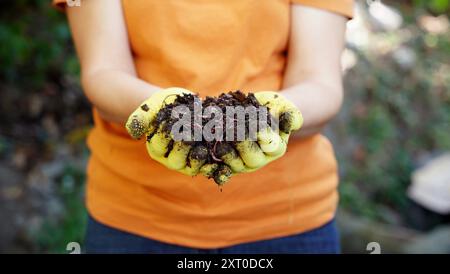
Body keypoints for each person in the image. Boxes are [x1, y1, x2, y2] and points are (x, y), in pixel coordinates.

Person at [53, 0, 353, 253]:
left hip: (287, 220)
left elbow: (319, 82)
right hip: (134, 217)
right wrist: (162, 109)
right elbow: (103, 71)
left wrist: (269, 116)